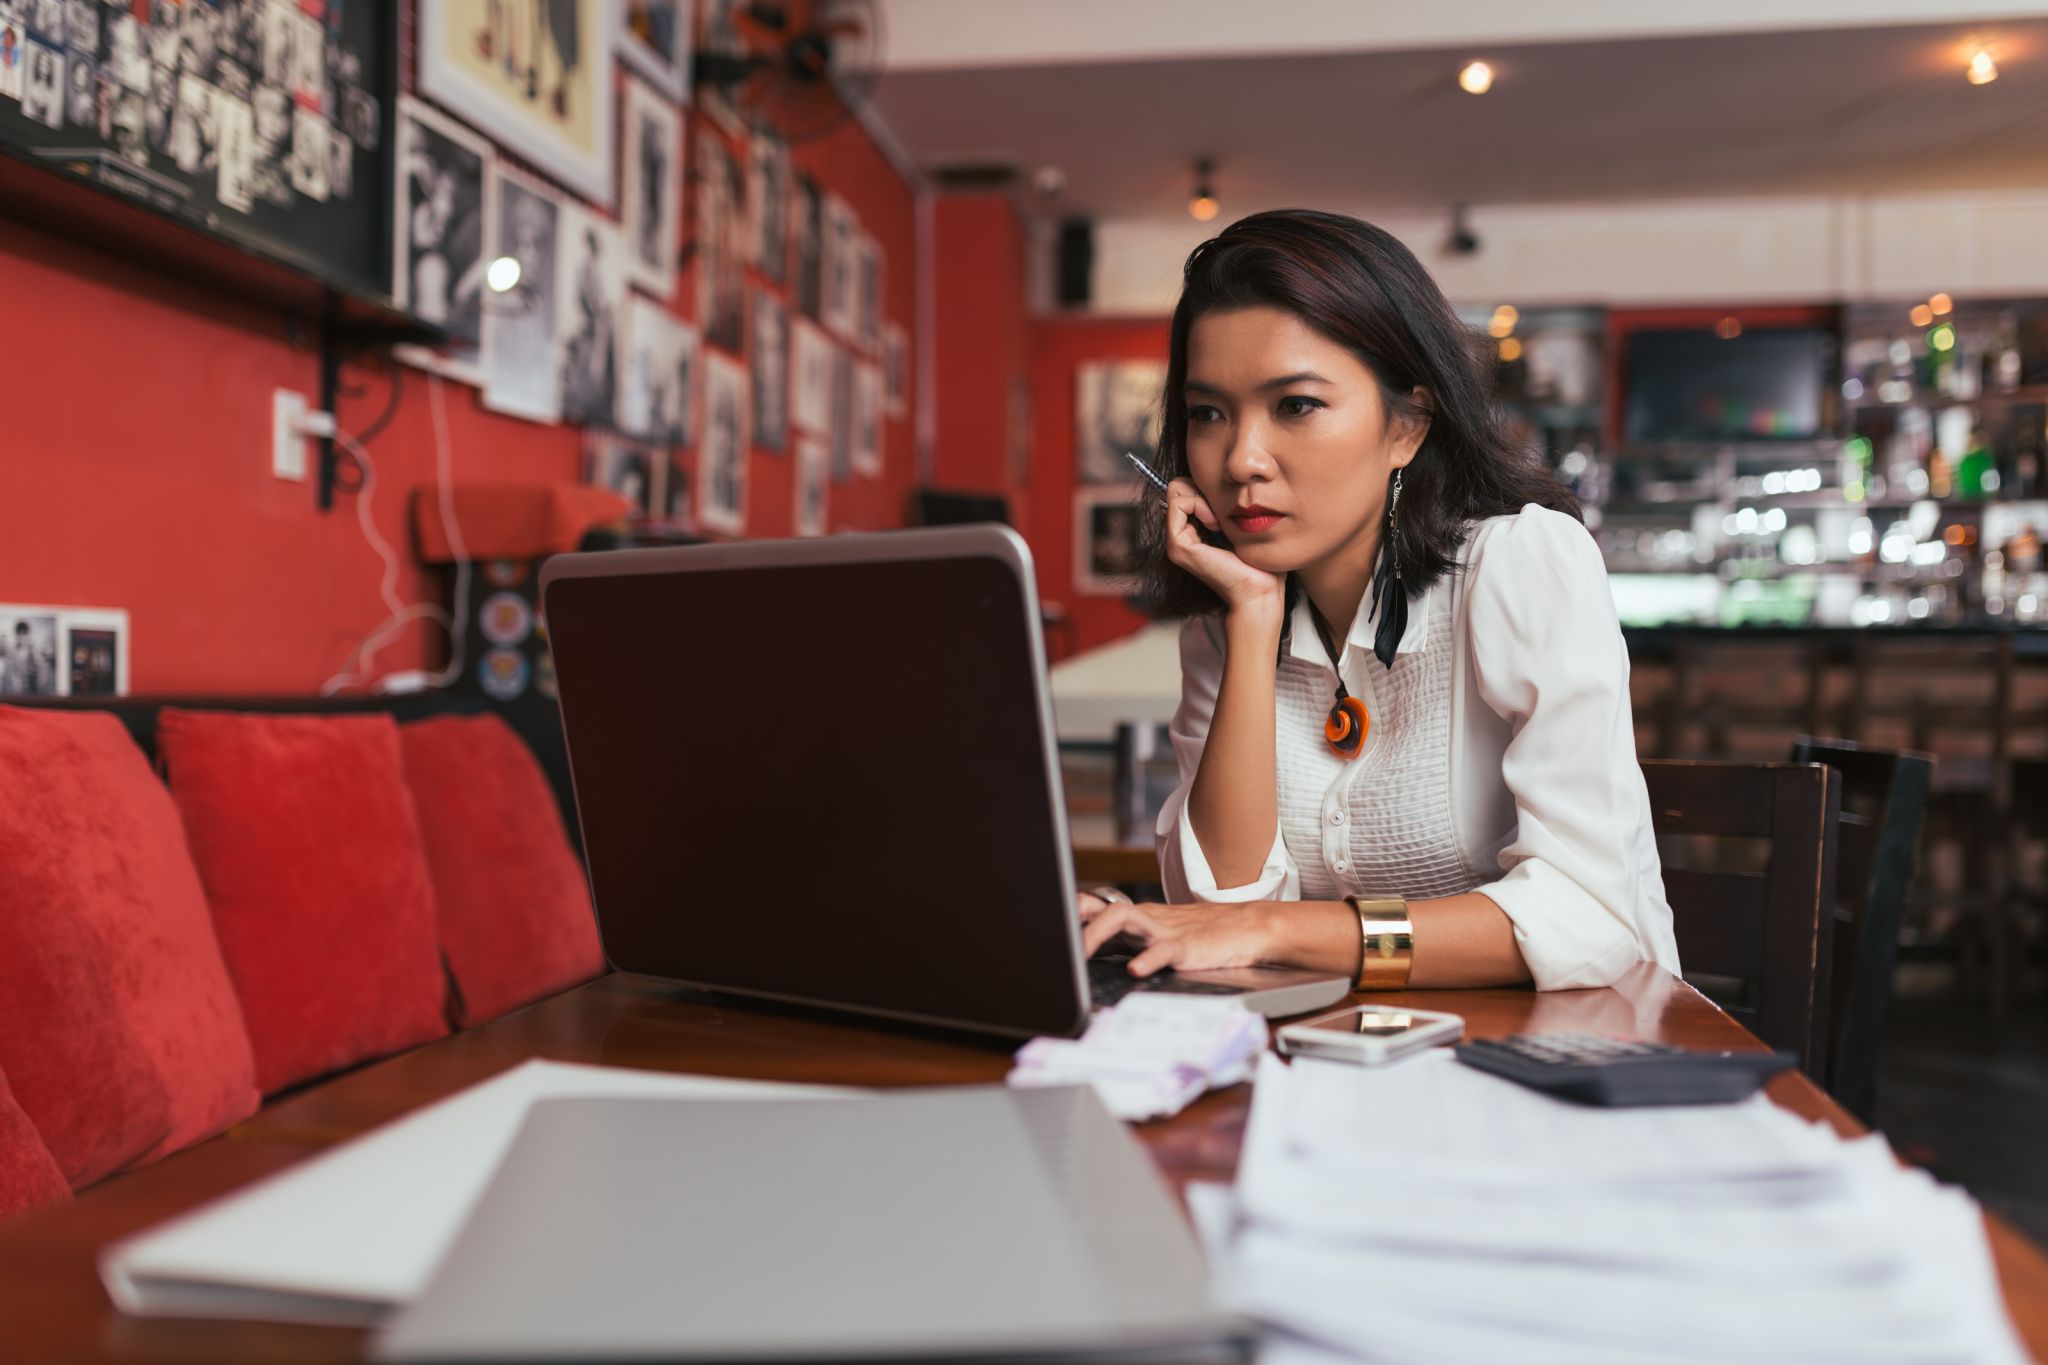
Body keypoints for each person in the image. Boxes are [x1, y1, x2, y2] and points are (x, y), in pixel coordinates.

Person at [1079, 210, 1678, 993]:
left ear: (1407, 425)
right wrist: (1254, 621)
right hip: (1354, 1057)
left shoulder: (1519, 562)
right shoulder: (1226, 623)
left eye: (1295, 404)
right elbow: (1221, 909)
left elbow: (1590, 921)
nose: (1240, 460)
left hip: (1574, 1061)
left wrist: (1276, 929)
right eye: (1208, 413)